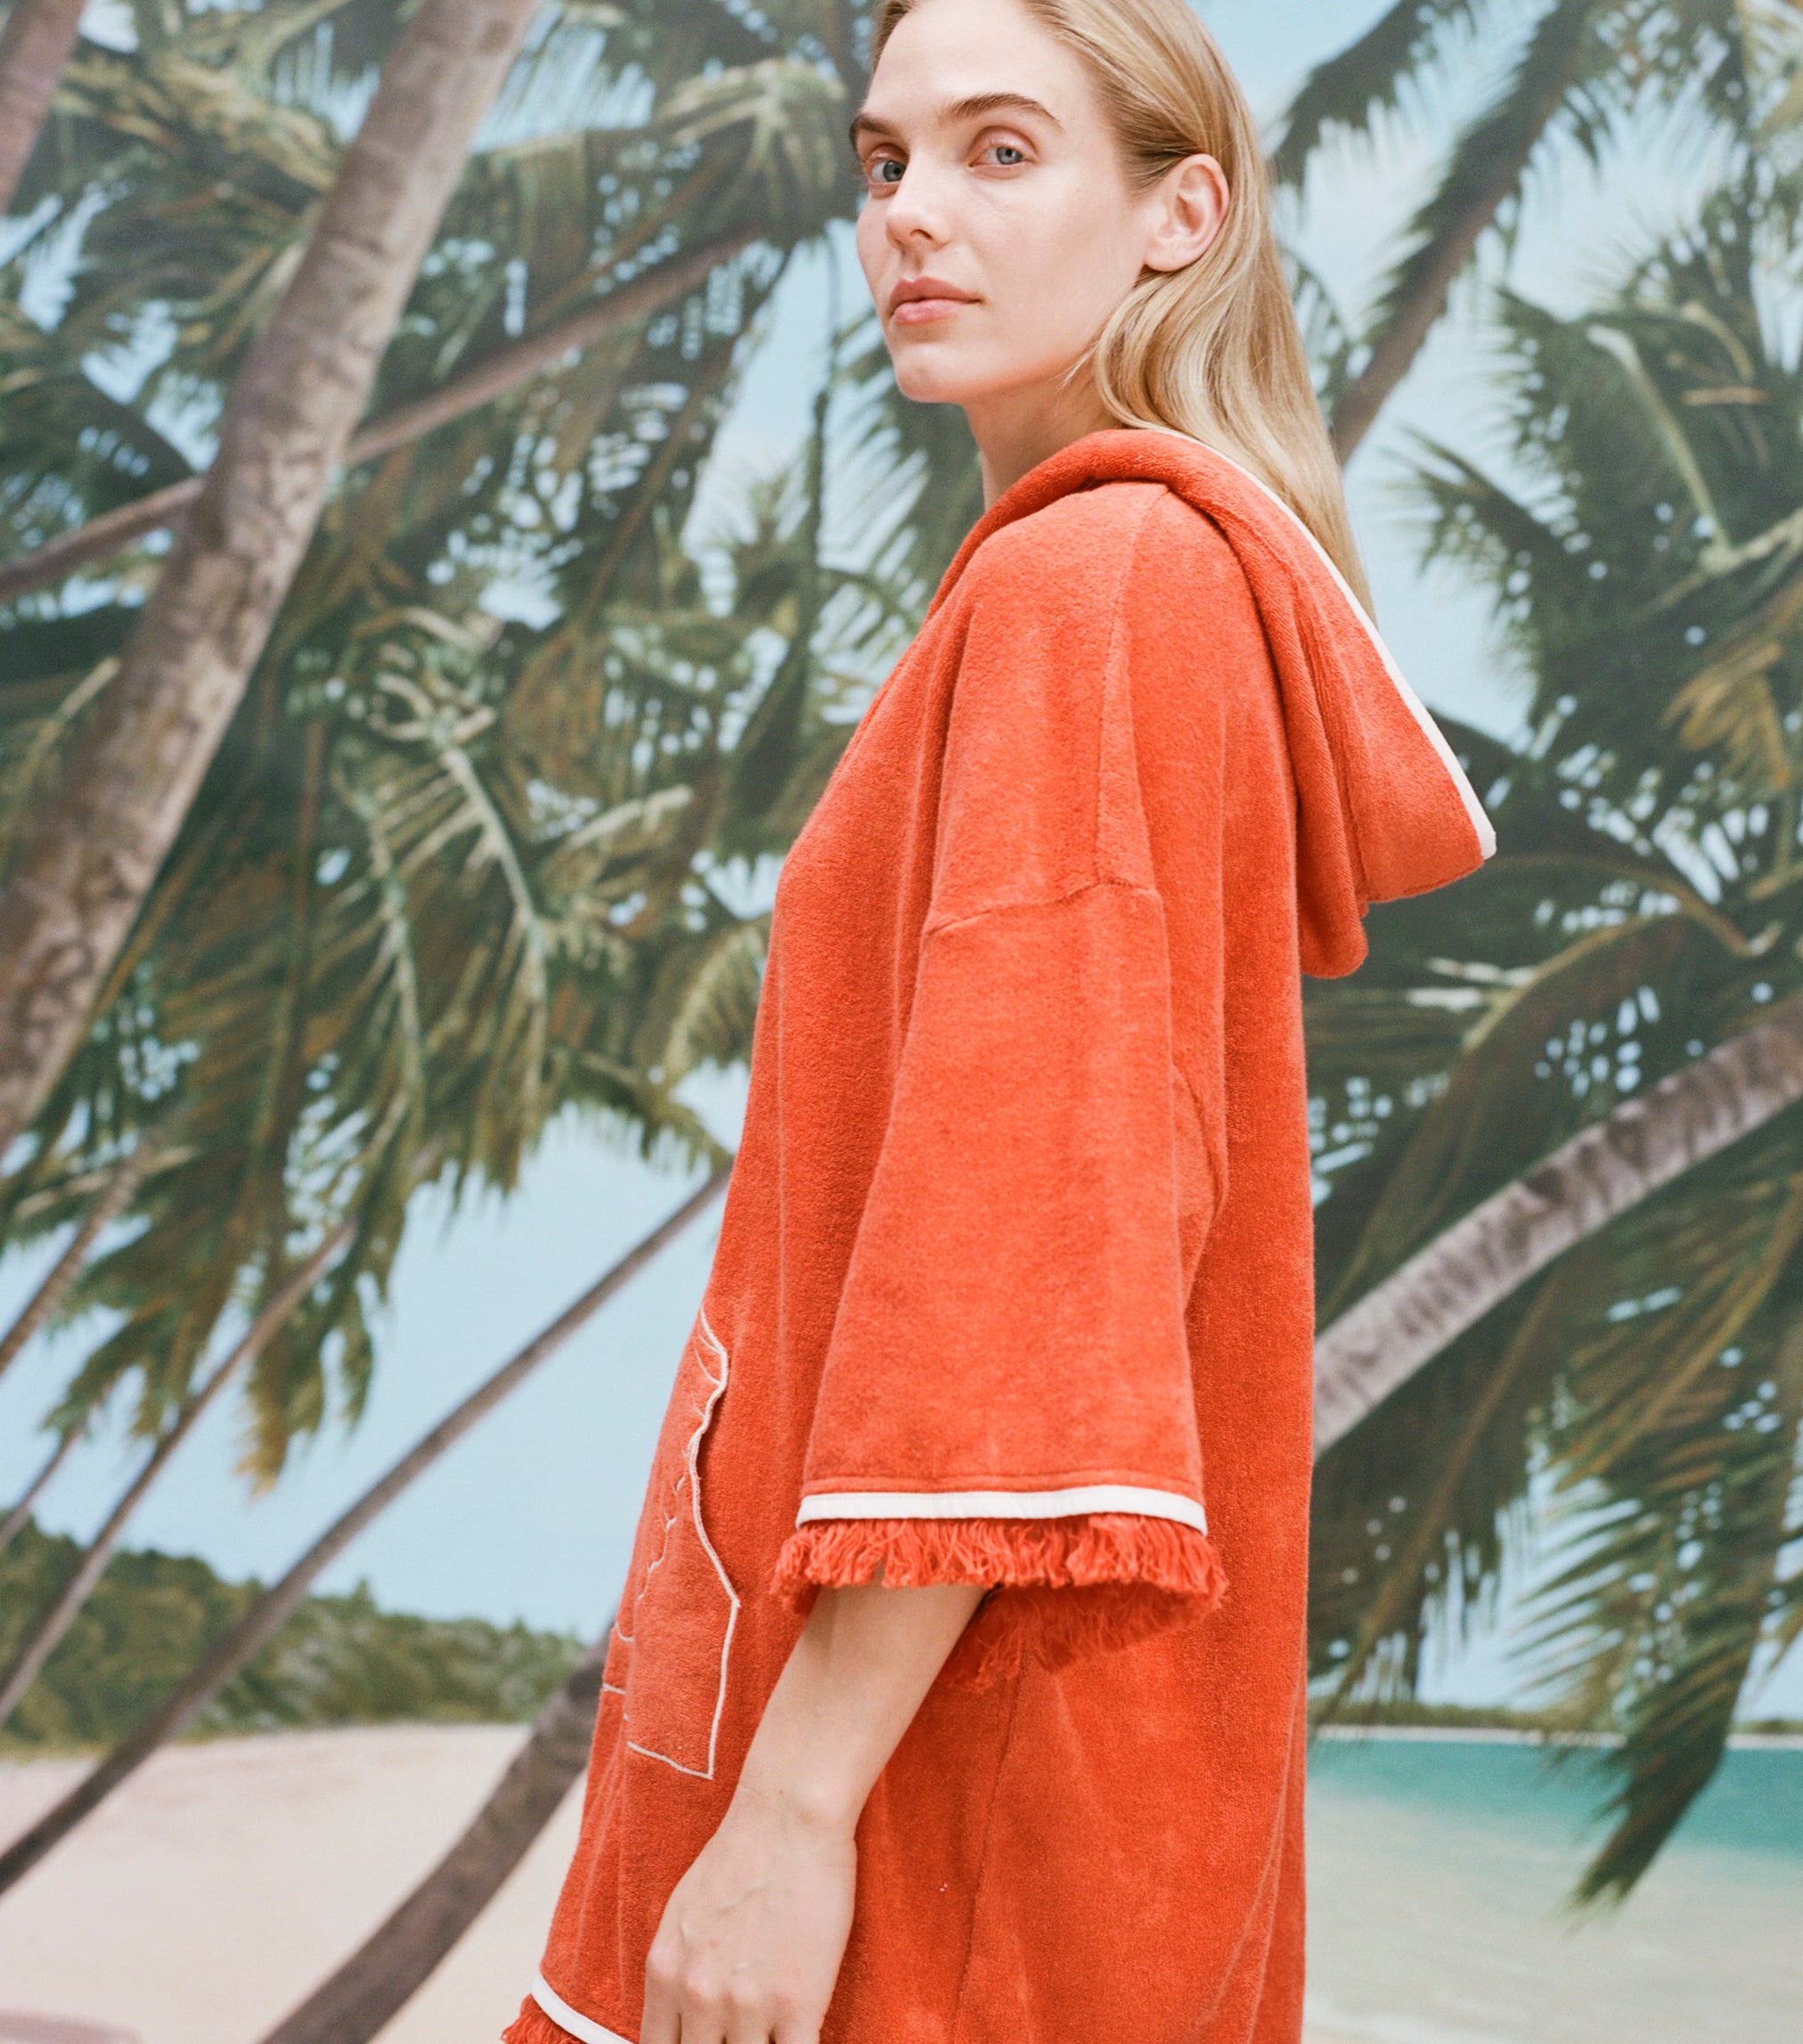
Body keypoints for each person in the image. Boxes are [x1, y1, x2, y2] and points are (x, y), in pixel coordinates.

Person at [503, 1, 1492, 2040]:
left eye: (1000, 153)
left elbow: (1027, 1239)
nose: (910, 218)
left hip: (934, 1806)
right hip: (1050, 1780)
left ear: (1176, 215)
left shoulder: (1102, 584)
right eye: (883, 163)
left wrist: (790, 1807)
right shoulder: (1106, 585)